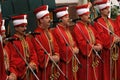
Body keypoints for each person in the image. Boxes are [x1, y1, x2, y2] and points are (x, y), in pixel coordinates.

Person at [73, 3, 103, 80]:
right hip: (85, 58)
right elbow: (81, 43)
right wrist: (93, 47)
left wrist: (99, 44)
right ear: (81, 16)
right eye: (86, 15)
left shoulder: (90, 26)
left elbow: (97, 37)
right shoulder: (77, 28)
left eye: (88, 14)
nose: (89, 16)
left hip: (94, 56)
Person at [93, 0, 120, 80]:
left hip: (115, 50)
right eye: (106, 9)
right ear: (101, 10)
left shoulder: (110, 20)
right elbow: (101, 36)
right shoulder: (98, 22)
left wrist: (118, 37)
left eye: (108, 8)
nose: (108, 10)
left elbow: (116, 30)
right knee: (107, 72)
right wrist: (113, 39)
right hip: (106, 52)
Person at [6, 14, 38, 80]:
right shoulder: (12, 42)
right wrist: (26, 65)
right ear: (16, 28)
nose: (25, 29)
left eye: (25, 26)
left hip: (31, 73)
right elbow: (14, 60)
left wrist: (33, 62)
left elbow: (33, 53)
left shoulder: (27, 39)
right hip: (23, 73)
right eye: (22, 27)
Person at [33, 5, 60, 80]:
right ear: (41, 20)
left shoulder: (49, 32)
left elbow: (56, 46)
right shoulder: (37, 34)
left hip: (54, 67)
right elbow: (39, 52)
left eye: (49, 17)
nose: (50, 20)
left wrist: (57, 55)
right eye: (47, 18)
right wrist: (50, 58)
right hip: (45, 69)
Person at [53, 6, 79, 80]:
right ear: (60, 19)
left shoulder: (67, 29)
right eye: (66, 17)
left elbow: (73, 42)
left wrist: (76, 47)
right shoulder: (57, 31)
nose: (68, 19)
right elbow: (61, 47)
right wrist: (72, 50)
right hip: (64, 63)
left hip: (72, 60)